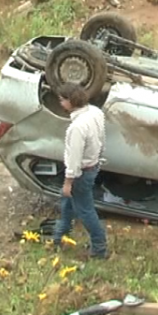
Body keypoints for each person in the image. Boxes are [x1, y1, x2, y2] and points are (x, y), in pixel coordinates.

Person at [52, 82, 109, 259]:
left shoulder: (76, 128)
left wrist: (68, 182)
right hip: (93, 166)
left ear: (71, 101)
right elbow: (102, 138)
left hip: (81, 173)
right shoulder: (95, 112)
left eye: (62, 100)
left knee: (85, 210)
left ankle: (99, 248)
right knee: (67, 204)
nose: (61, 103)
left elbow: (74, 159)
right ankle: (59, 237)